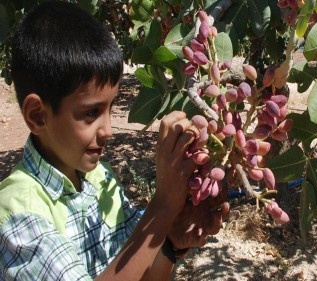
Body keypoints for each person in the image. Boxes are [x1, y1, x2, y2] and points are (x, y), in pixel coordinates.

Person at [0, 1, 229, 280]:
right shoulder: (18, 215)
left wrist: (170, 241)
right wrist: (164, 205)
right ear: (37, 116)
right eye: (91, 113)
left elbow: (142, 274)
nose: (108, 130)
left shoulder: (100, 178)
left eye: (110, 108)